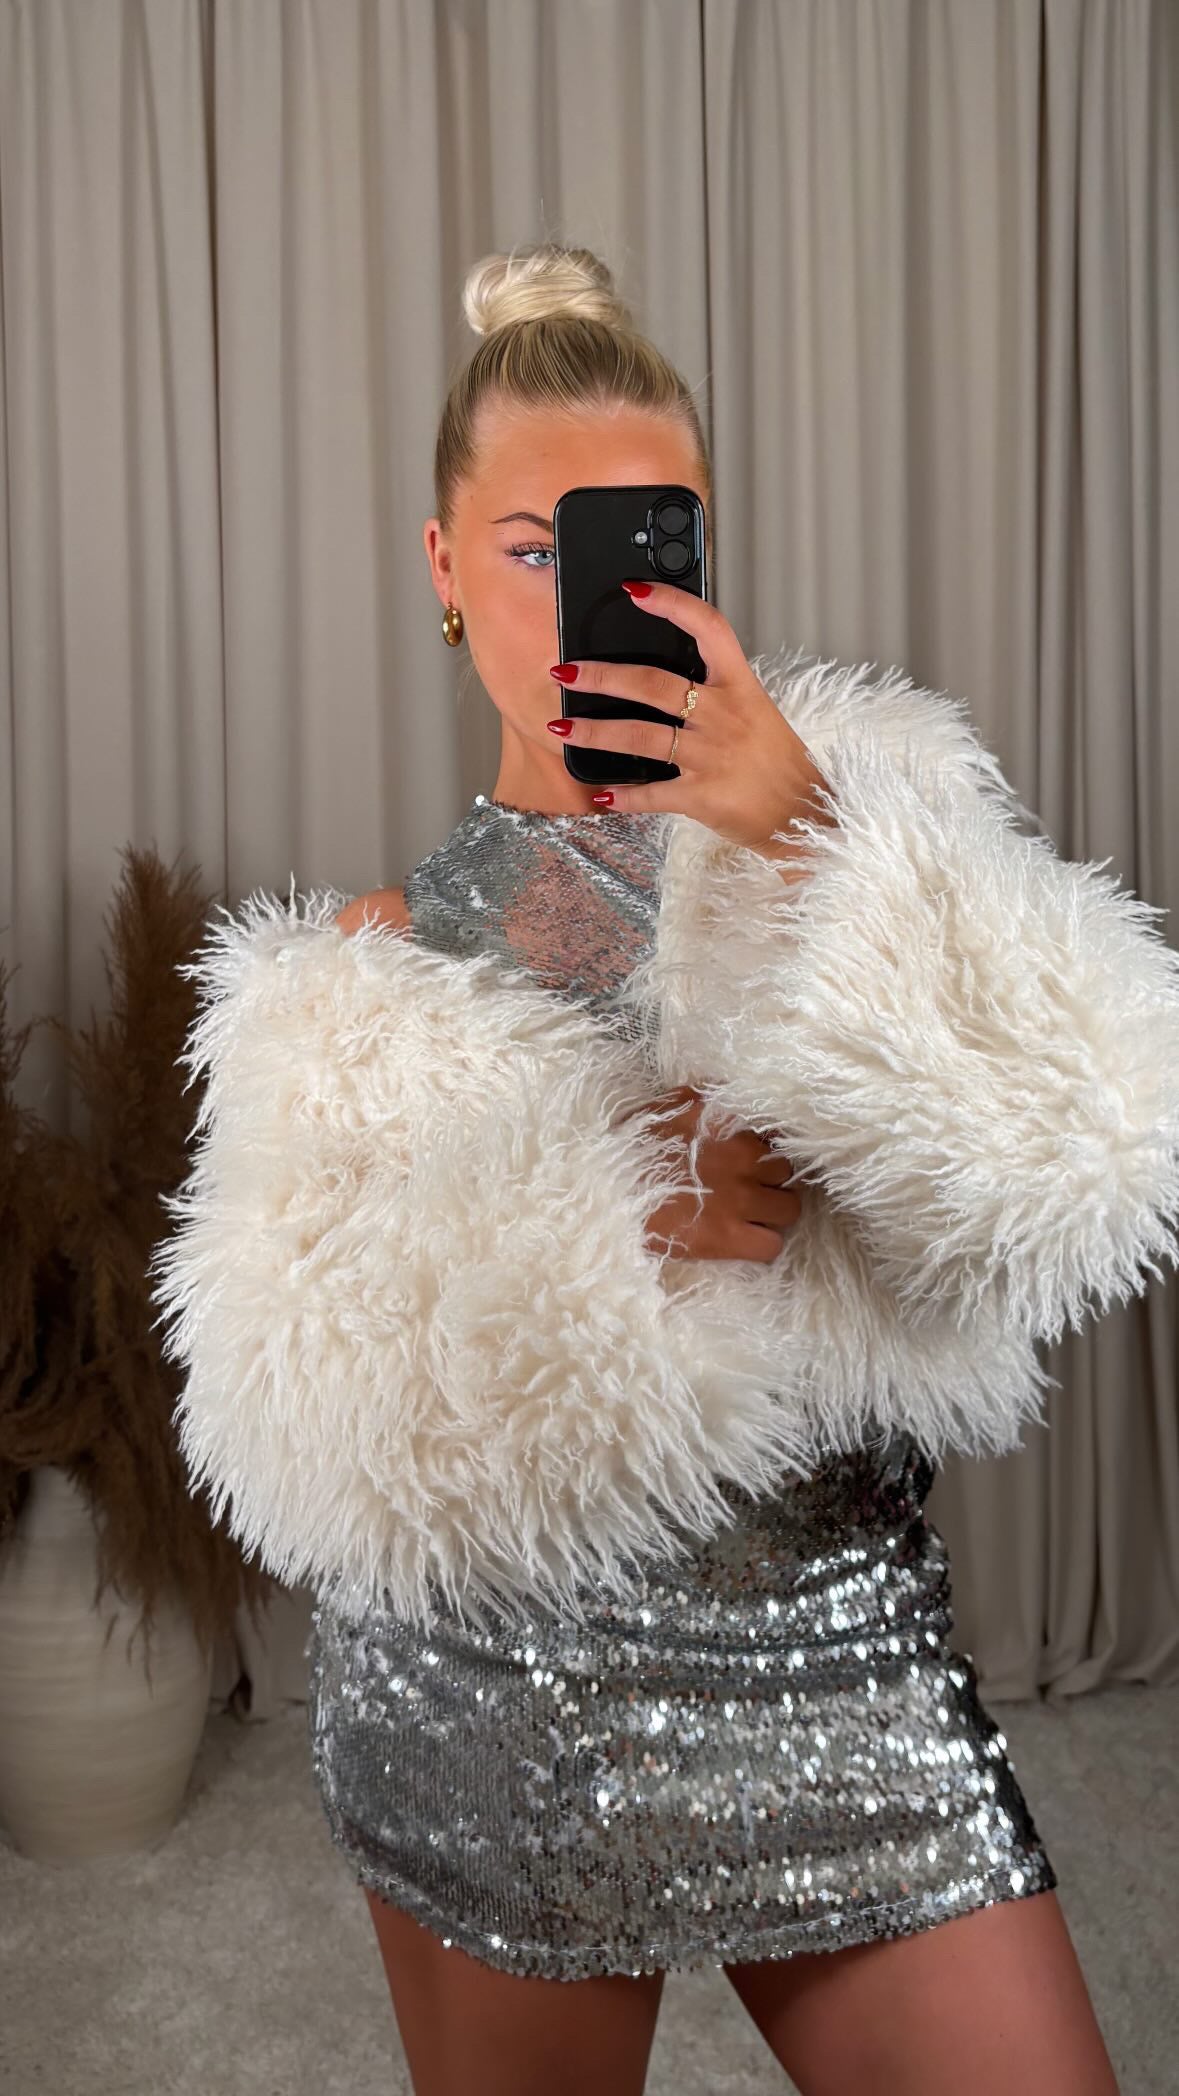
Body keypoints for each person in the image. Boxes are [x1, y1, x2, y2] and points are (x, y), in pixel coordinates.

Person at [150, 242, 1179, 2094]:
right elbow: (289, 1412)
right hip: (496, 1694)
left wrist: (809, 837)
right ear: (440, 569)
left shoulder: (866, 818)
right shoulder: (364, 974)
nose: (585, 604)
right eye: (529, 549)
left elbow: (1097, 1156)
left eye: (639, 548)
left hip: (836, 1646)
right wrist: (618, 1223)